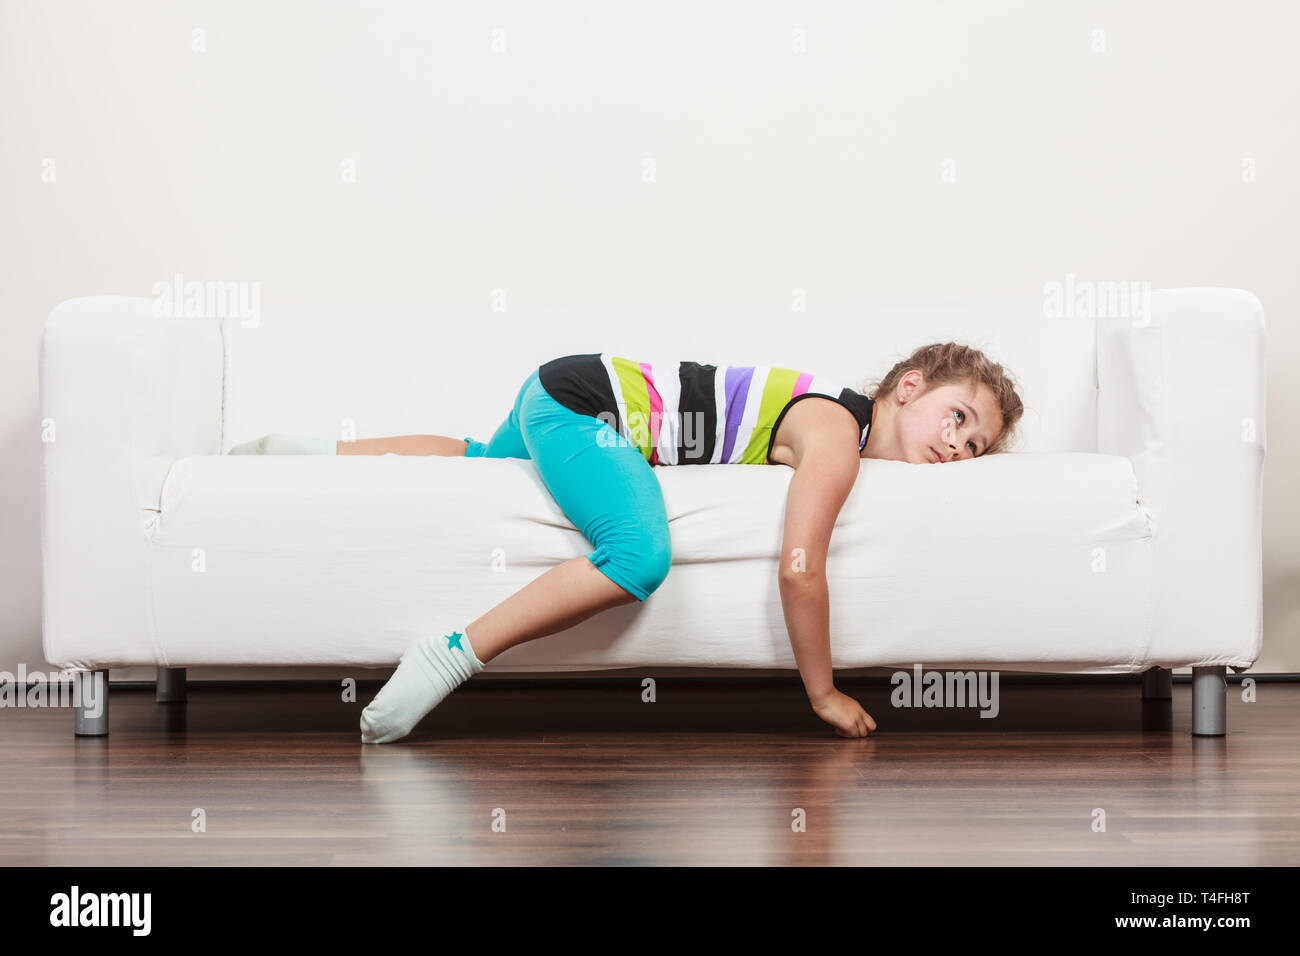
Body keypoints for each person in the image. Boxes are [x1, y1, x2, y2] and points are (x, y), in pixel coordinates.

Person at [230, 344, 1024, 743]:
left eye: (978, 446)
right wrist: (821, 693)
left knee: (482, 461)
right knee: (638, 554)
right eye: (959, 418)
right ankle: (449, 655)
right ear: (910, 384)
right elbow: (800, 567)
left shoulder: (833, 419)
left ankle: (308, 455)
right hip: (585, 406)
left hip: (565, 384)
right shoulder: (836, 433)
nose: (961, 447)